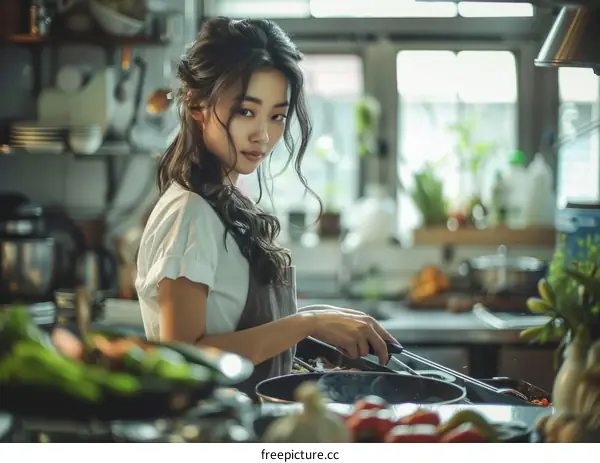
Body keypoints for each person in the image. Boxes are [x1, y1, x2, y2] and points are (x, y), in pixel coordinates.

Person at [135, 16, 400, 397]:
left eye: (277, 116)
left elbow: (239, 334)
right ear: (197, 105)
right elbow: (183, 357)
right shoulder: (189, 213)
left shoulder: (222, 202)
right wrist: (307, 323)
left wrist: (321, 320)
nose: (264, 135)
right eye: (246, 111)